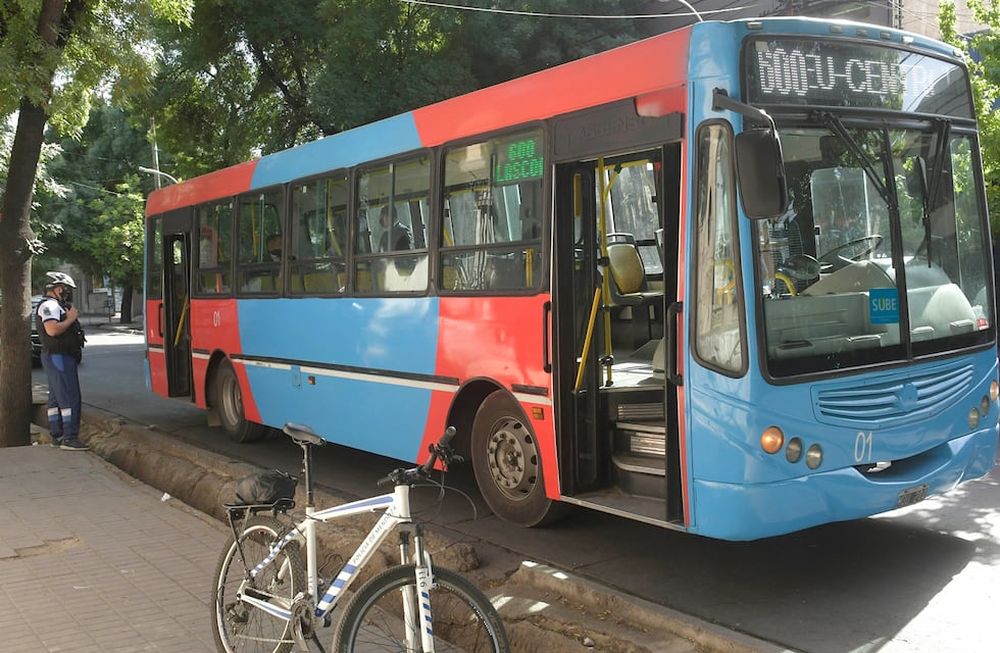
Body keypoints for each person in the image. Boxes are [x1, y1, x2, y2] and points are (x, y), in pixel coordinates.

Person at [36, 271, 88, 451]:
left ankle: (57, 435)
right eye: (66, 289)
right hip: (59, 356)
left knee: (57, 398)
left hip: (58, 356)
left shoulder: (54, 305)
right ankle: (69, 438)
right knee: (69, 397)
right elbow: (52, 330)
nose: (68, 293)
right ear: (57, 289)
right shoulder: (49, 305)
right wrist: (72, 318)